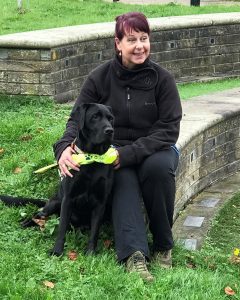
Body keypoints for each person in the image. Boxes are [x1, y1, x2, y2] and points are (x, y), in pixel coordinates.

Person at [53, 12, 182, 282]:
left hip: (155, 149)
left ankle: (163, 246)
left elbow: (169, 129)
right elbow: (75, 118)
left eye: (144, 39)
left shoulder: (163, 80)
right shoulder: (99, 78)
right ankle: (134, 256)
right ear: (118, 43)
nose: (139, 46)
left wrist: (130, 153)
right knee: (120, 178)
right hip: (114, 153)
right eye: (132, 39)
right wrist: (64, 146)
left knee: (158, 170)